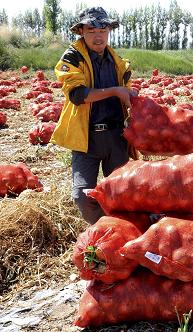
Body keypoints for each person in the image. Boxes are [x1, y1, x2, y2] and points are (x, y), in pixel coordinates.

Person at [51, 7, 137, 224]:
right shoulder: (72, 57)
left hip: (116, 136)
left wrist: (132, 100)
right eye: (91, 30)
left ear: (109, 30)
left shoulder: (118, 62)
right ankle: (101, 227)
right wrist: (116, 90)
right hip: (86, 138)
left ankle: (119, 235)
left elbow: (126, 95)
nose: (98, 36)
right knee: (82, 195)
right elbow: (78, 95)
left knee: (121, 194)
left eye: (103, 29)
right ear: (81, 31)